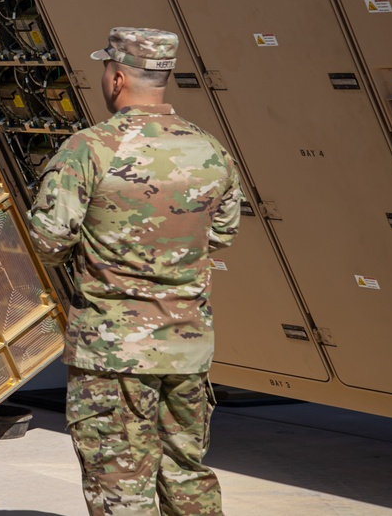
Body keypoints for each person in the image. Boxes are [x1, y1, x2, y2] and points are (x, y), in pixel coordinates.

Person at [28, 27, 242, 515]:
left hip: (112, 353)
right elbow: (223, 233)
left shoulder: (90, 148)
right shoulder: (209, 149)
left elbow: (48, 239)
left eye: (106, 68)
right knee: (186, 473)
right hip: (187, 348)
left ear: (118, 77)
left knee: (121, 483)